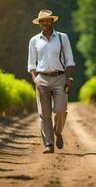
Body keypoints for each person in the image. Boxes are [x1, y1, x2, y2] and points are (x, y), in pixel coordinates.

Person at [28, 9, 75, 154]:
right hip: (41, 79)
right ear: (39, 23)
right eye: (42, 20)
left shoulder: (62, 38)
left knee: (61, 110)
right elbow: (31, 64)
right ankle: (49, 144)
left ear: (52, 21)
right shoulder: (34, 40)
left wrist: (70, 79)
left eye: (47, 20)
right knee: (44, 114)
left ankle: (57, 131)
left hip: (60, 78)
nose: (44, 22)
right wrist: (36, 79)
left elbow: (69, 60)